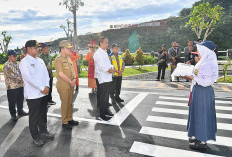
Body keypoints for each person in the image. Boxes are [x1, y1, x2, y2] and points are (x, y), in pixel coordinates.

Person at [184, 40, 218, 149]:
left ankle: (203, 140)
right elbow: (198, 75)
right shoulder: (205, 61)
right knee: (197, 114)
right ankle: (198, 135)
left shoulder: (208, 63)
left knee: (202, 115)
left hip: (203, 91)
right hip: (198, 90)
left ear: (205, 51)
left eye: (199, 50)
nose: (197, 52)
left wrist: (191, 77)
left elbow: (206, 81)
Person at [19, 40, 54, 147]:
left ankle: (44, 132)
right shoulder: (24, 62)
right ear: (29, 49)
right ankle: (36, 137)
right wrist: (41, 87)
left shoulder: (40, 61)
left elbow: (46, 75)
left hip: (43, 93)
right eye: (35, 48)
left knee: (43, 114)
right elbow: (29, 78)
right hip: (33, 95)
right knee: (34, 117)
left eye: (38, 47)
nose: (38, 49)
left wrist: (47, 86)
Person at [54, 40, 79, 129]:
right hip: (63, 86)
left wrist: (74, 79)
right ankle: (64, 122)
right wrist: (70, 81)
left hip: (70, 85)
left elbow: (72, 70)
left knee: (69, 103)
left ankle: (69, 118)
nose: (70, 50)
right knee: (65, 103)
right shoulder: (58, 60)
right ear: (62, 49)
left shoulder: (68, 58)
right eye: (68, 48)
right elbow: (60, 74)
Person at [93, 36, 115, 121]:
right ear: (101, 43)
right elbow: (101, 66)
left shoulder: (104, 52)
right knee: (103, 97)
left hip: (107, 77)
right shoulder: (98, 53)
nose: (107, 44)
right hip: (103, 78)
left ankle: (106, 111)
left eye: (107, 42)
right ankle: (102, 115)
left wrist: (111, 68)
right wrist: (109, 69)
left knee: (106, 97)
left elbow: (108, 63)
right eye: (106, 42)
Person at [3, 50, 28, 121]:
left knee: (20, 99)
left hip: (20, 85)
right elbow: (11, 76)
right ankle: (13, 115)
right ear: (9, 57)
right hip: (12, 86)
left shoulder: (17, 63)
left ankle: (20, 111)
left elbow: (22, 72)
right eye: (14, 56)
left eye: (16, 55)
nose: (16, 57)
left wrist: (24, 77)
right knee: (12, 101)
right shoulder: (6, 65)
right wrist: (22, 79)